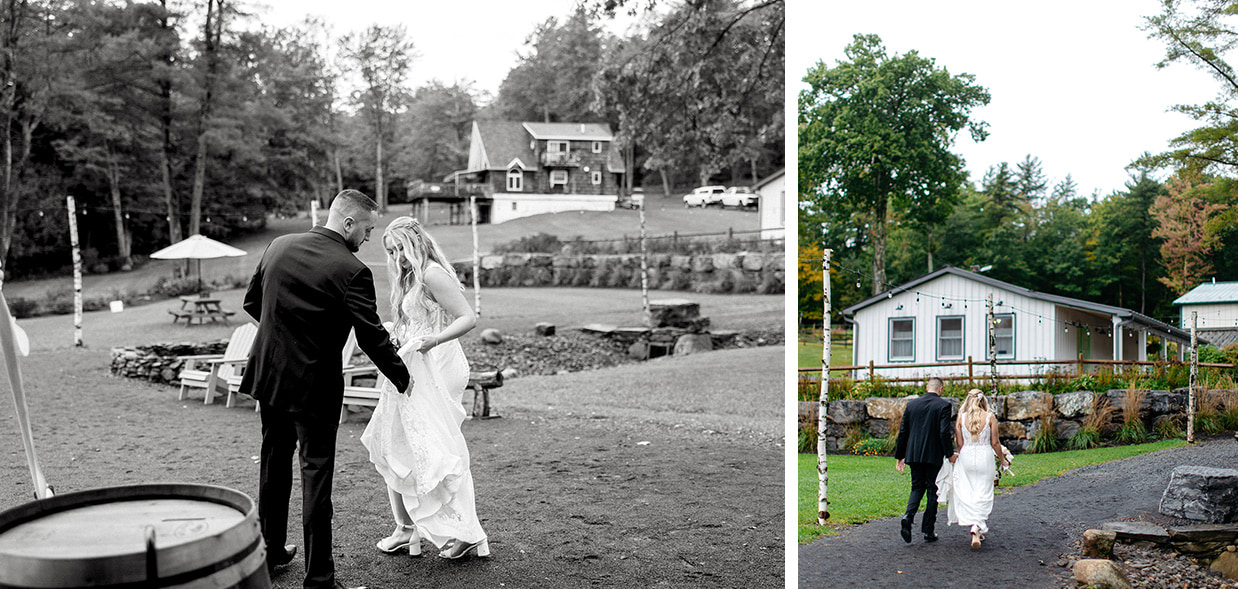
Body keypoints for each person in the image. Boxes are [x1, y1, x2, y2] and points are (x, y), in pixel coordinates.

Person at [239, 189, 411, 589]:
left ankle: (271, 550)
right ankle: (319, 579)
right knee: (316, 474)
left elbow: (253, 304)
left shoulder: (278, 245)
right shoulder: (352, 270)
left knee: (274, 463)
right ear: (348, 222)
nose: (368, 238)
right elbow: (372, 337)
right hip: (314, 387)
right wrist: (403, 377)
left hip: (270, 376)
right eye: (367, 230)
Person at [359, 216, 489, 560]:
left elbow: (467, 317)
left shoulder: (431, 272)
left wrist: (434, 340)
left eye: (400, 247)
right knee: (398, 444)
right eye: (390, 251)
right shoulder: (409, 276)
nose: (397, 256)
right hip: (415, 362)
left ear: (415, 241)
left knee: (440, 451)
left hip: (440, 364)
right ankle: (406, 528)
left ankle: (466, 531)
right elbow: (413, 322)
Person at [893, 376, 955, 544]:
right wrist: (949, 454)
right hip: (933, 454)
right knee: (932, 490)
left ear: (927, 387)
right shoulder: (943, 406)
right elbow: (944, 432)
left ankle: (908, 516)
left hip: (913, 454)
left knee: (916, 488)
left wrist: (900, 456)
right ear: (940, 389)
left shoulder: (912, 405)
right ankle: (928, 530)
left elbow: (903, 431)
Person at [948, 389, 1009, 550]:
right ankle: (977, 526)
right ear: (984, 401)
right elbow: (995, 443)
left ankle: (976, 527)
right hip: (985, 457)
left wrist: (962, 455)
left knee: (970, 491)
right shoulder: (990, 417)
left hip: (967, 455)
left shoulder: (961, 418)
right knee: (984, 491)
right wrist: (1002, 460)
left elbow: (959, 444)